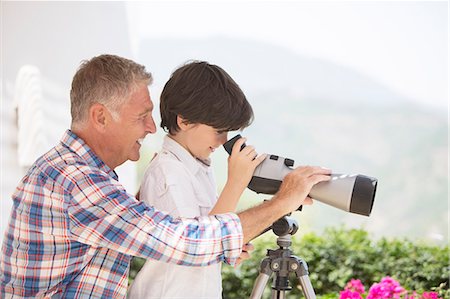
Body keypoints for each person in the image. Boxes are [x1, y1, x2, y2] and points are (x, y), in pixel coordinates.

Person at [0, 54, 331, 299]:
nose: (150, 126)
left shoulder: (86, 175)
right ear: (101, 116)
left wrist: (229, 239)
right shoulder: (77, 181)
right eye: (142, 115)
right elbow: (186, 243)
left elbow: (179, 237)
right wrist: (282, 200)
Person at [128, 61, 266, 299]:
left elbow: (209, 231)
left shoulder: (198, 167)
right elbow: (196, 244)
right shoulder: (167, 172)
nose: (223, 141)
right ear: (184, 121)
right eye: (218, 130)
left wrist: (227, 246)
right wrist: (236, 183)